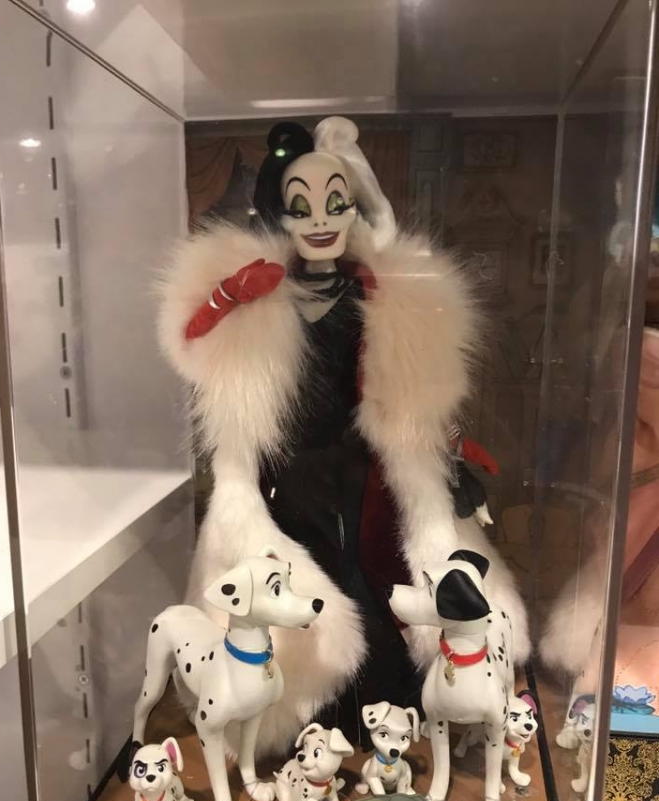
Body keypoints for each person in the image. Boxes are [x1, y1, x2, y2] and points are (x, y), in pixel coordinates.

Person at [159, 117, 528, 756]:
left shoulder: (373, 291)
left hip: (366, 469)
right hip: (289, 472)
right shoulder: (263, 294)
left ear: (357, 208)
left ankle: (380, 712)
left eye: (337, 202)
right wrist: (229, 296)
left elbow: (423, 379)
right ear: (280, 215)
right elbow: (189, 346)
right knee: (300, 583)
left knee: (373, 576)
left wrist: (444, 451)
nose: (320, 220)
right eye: (301, 207)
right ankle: (303, 718)